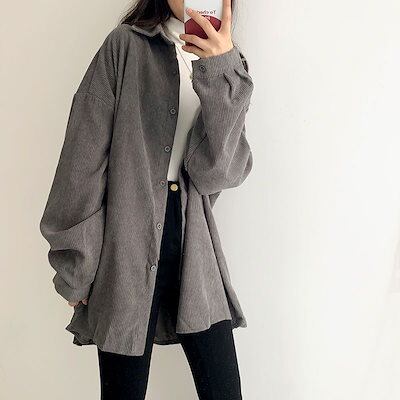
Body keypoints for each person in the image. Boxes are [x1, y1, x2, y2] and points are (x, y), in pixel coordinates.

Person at [39, 0, 254, 398]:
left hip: (195, 248)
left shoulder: (230, 66)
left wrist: (222, 71)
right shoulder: (124, 47)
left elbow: (218, 174)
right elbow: (81, 164)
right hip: (124, 246)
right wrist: (76, 267)